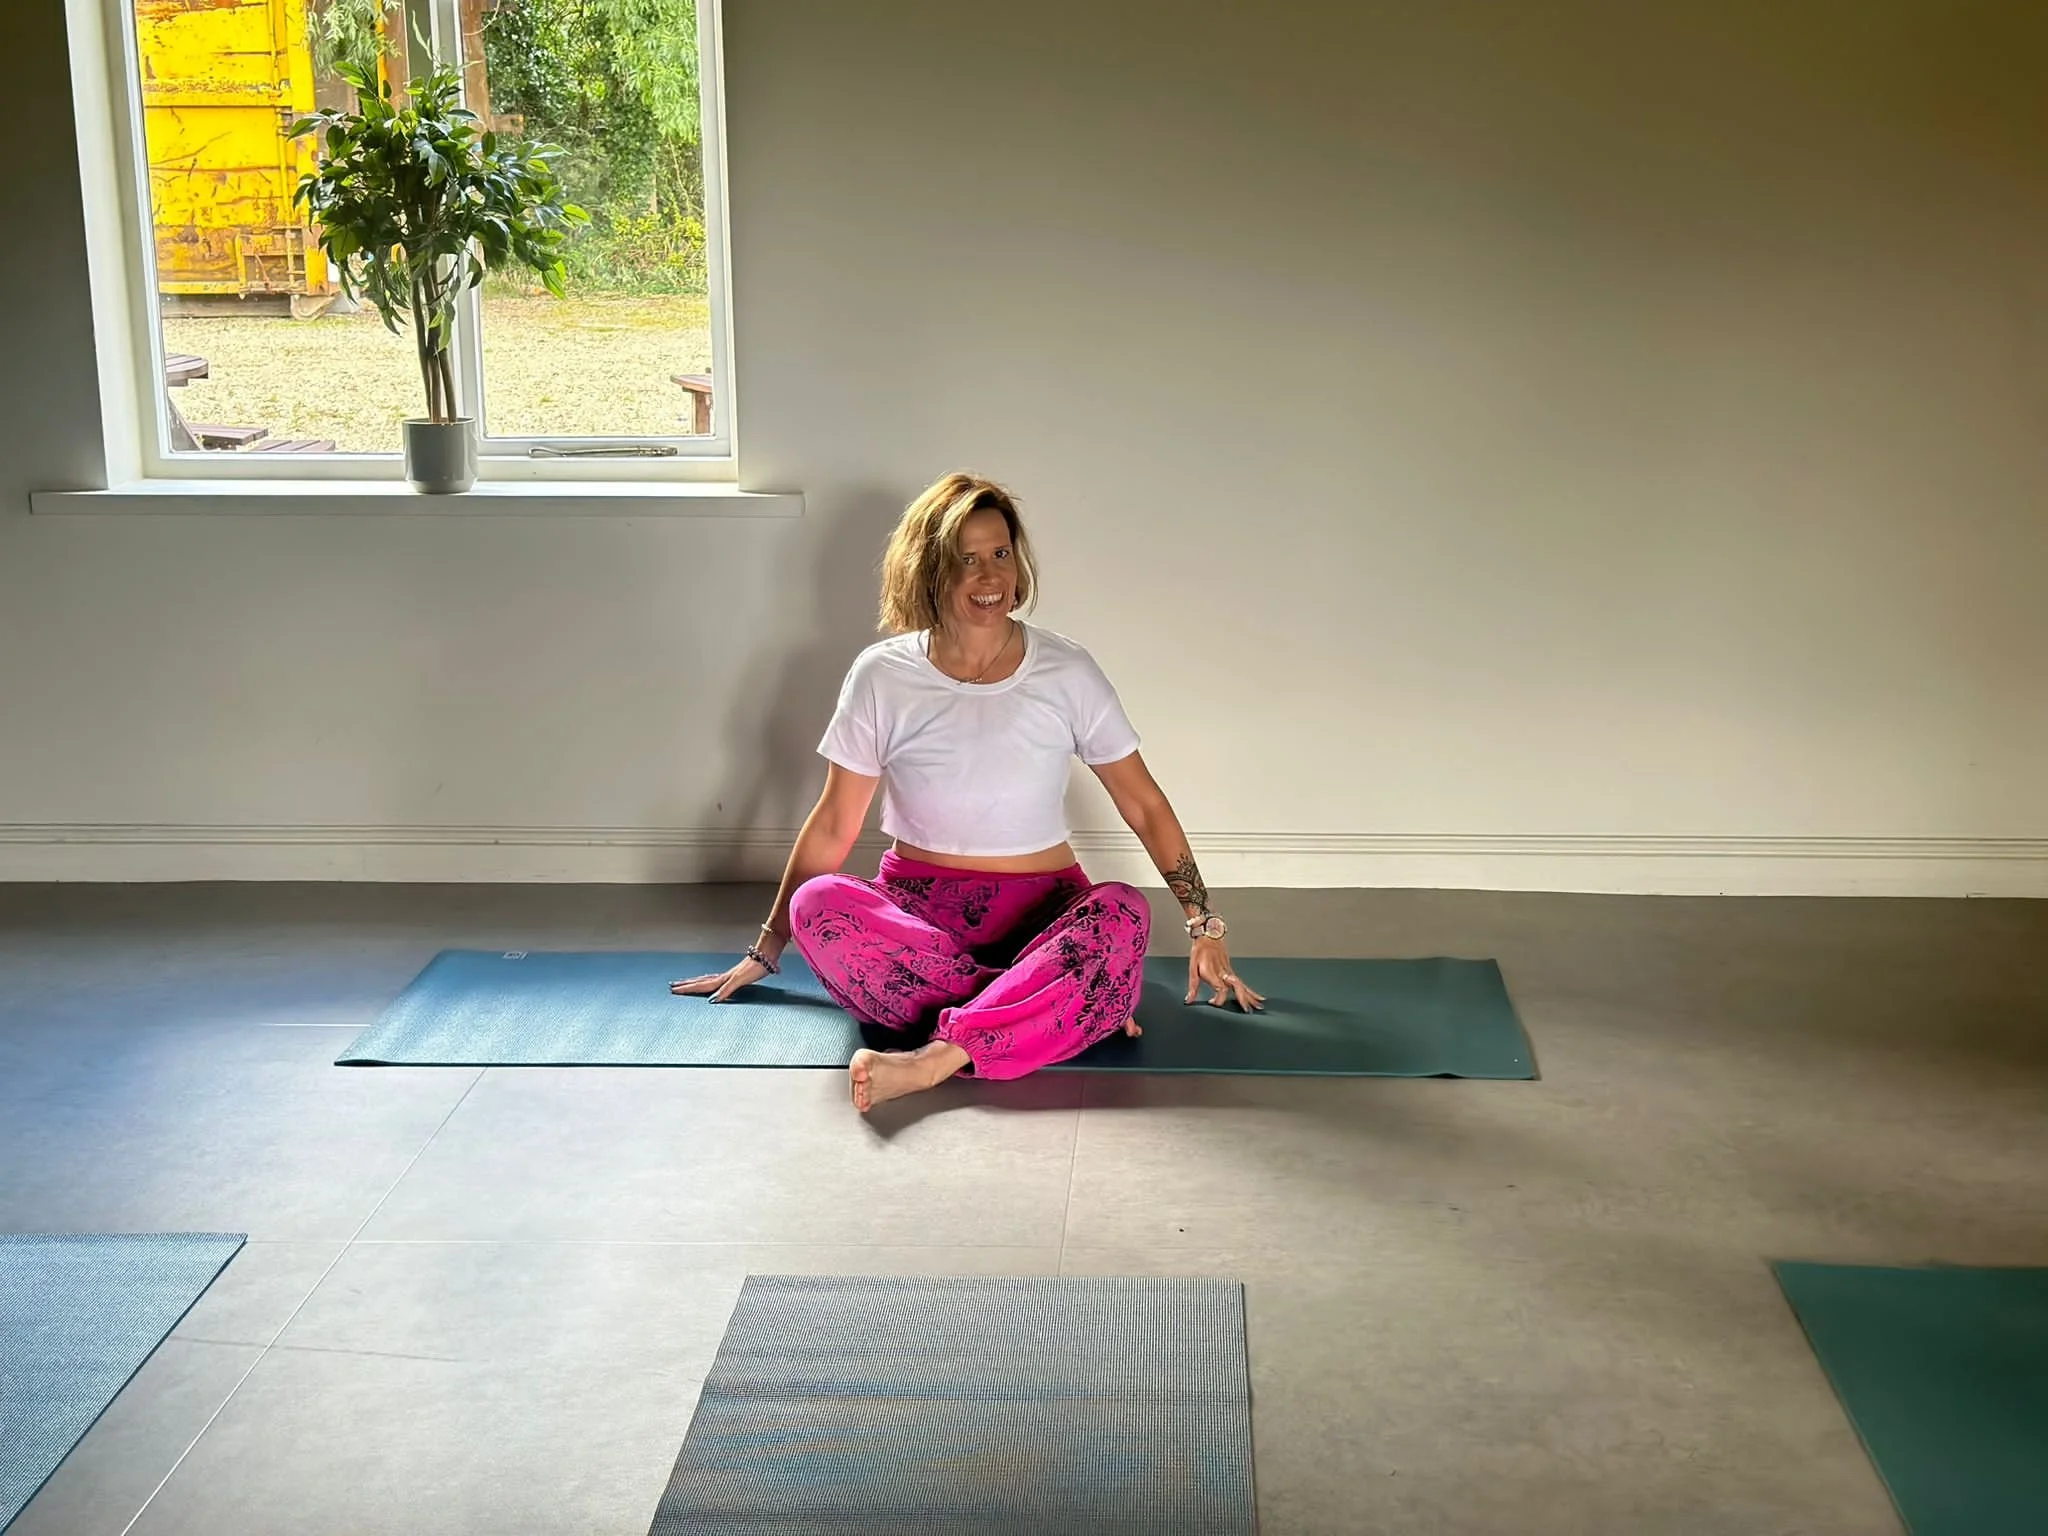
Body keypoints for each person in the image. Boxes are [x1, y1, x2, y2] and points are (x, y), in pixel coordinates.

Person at [672, 472, 1262, 1111]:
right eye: (967, 558)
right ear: (929, 569)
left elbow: (1142, 802)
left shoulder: (1067, 669)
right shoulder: (881, 674)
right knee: (818, 905)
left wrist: (1204, 922)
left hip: (1047, 913)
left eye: (1001, 553)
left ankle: (937, 1056)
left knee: (1123, 913)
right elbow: (836, 820)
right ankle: (1052, 1006)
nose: (990, 576)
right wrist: (768, 947)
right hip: (919, 916)